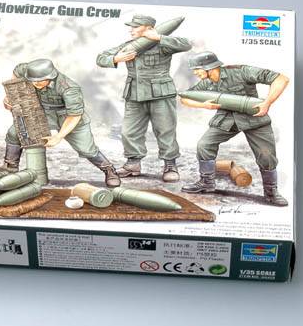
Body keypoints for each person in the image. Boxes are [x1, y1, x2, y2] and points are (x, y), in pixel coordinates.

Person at [180, 51, 290, 206]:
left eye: (197, 69)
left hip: (254, 118)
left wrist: (267, 103)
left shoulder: (241, 72)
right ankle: (207, 183)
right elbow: (185, 97)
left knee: (266, 156)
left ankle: (271, 192)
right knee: (204, 145)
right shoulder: (207, 83)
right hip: (227, 119)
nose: (195, 73)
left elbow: (281, 78)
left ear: (209, 67)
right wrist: (203, 105)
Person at [96, 14, 191, 182]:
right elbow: (101, 58)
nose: (131, 30)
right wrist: (116, 58)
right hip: (134, 94)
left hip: (160, 95)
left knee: (165, 129)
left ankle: (170, 165)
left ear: (149, 28)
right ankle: (133, 164)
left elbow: (186, 44)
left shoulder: (163, 45)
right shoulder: (128, 46)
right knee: (129, 131)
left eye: (135, 27)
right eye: (131, 27)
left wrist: (159, 37)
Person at [2, 58, 121, 187]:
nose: (35, 83)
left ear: (50, 76)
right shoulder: (28, 70)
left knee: (86, 149)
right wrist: (10, 96)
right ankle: (10, 167)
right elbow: (16, 73)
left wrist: (58, 137)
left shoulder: (68, 87)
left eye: (39, 80)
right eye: (33, 80)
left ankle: (109, 169)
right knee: (14, 133)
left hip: (67, 116)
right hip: (42, 112)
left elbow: (74, 115)